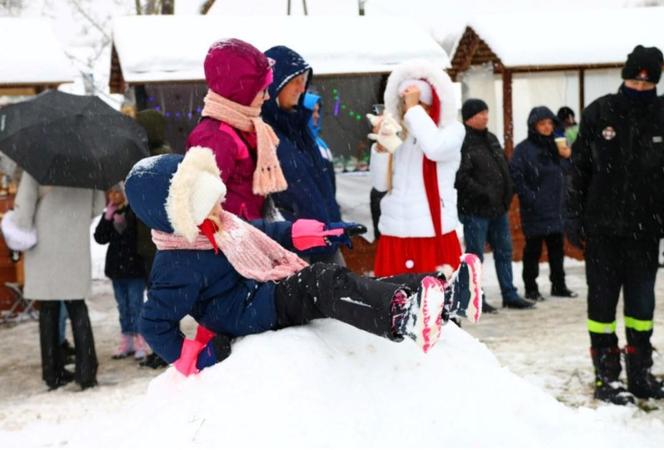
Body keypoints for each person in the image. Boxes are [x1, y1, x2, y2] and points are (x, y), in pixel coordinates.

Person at [125, 147, 483, 375]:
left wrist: (323, 233)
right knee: (322, 282)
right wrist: (196, 358)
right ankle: (400, 316)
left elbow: (269, 231)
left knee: (334, 280)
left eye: (216, 199)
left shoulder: (221, 225)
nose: (220, 208)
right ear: (182, 215)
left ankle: (437, 295)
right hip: (246, 310)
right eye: (208, 204)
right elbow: (155, 323)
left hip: (262, 290)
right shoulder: (176, 264)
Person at [567, 45, 664, 405]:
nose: (639, 87)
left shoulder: (661, 115)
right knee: (602, 308)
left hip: (645, 233)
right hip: (603, 231)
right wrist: (573, 216)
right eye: (633, 79)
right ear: (624, 75)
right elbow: (578, 170)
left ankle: (640, 374)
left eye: (647, 82)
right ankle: (606, 377)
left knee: (641, 307)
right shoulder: (599, 112)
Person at [7, 173, 105, 390]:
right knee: (78, 307)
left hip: (45, 247)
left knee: (49, 309)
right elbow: (98, 206)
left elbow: (23, 213)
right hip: (74, 247)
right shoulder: (87, 166)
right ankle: (86, 371)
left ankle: (53, 372)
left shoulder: (37, 166)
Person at [369, 60, 465, 277]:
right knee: (394, 304)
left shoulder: (452, 131)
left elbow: (434, 148)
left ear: (431, 105)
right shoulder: (400, 135)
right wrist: (381, 146)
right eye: (404, 103)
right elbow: (380, 184)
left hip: (433, 235)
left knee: (434, 305)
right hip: (396, 235)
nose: (407, 109)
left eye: (416, 103)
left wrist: (413, 111)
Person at [186, 38, 287, 221]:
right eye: (262, 89)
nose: (267, 97)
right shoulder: (215, 137)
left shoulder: (243, 127)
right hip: (232, 243)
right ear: (241, 91)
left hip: (248, 236)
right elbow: (201, 212)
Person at [262, 46, 343, 265]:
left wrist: (334, 224)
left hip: (324, 241)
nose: (301, 87)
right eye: (295, 80)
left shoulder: (300, 128)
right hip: (294, 250)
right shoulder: (264, 132)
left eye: (303, 80)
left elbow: (319, 189)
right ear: (275, 83)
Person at [455, 99, 532, 311]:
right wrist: (484, 193)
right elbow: (461, 177)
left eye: (486, 112)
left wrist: (509, 190)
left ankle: (509, 294)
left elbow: (503, 167)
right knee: (475, 256)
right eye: (481, 113)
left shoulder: (491, 138)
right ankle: (475, 297)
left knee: (505, 252)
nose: (485, 117)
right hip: (475, 210)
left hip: (499, 208)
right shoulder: (461, 141)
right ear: (469, 117)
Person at [510, 106, 576, 302]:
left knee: (557, 250)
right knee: (533, 250)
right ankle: (531, 288)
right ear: (533, 126)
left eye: (550, 123)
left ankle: (559, 285)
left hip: (556, 207)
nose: (547, 127)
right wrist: (531, 198)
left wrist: (567, 156)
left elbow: (566, 171)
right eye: (542, 124)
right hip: (535, 209)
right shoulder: (523, 150)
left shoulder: (557, 146)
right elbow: (516, 177)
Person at [94, 183, 149, 361]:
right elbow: (100, 238)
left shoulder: (135, 210)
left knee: (136, 306)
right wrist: (107, 218)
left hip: (134, 269)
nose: (113, 196)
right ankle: (127, 340)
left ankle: (141, 340)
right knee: (123, 307)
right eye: (110, 193)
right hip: (117, 269)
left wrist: (125, 220)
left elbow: (138, 235)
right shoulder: (109, 214)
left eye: (117, 192)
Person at [134, 109, 171, 369]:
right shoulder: (170, 157)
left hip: (152, 240)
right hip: (168, 238)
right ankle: (164, 348)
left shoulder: (145, 161)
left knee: (158, 297)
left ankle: (162, 350)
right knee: (166, 294)